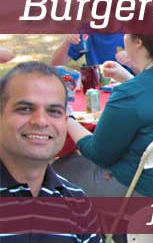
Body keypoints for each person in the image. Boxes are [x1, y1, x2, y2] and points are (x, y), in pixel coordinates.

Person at [52, 34, 153, 197]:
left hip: (149, 188)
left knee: (54, 171)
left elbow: (98, 155)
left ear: (138, 42)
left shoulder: (128, 94)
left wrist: (66, 115)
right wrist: (127, 78)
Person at [0, 62, 101, 242]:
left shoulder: (77, 203)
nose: (40, 121)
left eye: (53, 111)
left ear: (65, 121)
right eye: (24, 108)